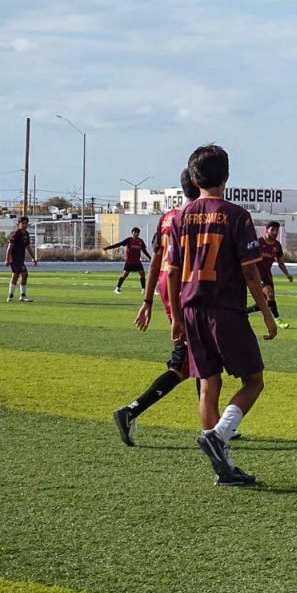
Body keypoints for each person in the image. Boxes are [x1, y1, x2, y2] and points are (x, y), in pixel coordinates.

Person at [168, 144, 279, 487]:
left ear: (194, 177)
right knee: (254, 380)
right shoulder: (236, 215)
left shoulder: (180, 216)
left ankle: (224, 469)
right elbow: (250, 272)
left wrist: (175, 317)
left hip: (190, 308)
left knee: (208, 387)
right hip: (224, 309)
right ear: (227, 176)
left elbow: (172, 272)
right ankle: (220, 436)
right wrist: (267, 314)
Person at [112, 169, 200, 446]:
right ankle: (130, 411)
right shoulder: (198, 216)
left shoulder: (167, 217)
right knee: (187, 364)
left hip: (167, 289)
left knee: (202, 359)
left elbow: (156, 261)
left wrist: (148, 300)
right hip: (187, 290)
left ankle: (216, 423)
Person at [245, 221, 294, 328]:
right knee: (270, 295)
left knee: (264, 303)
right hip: (257, 275)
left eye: (277, 230)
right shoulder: (258, 243)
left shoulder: (277, 246)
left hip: (267, 275)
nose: (275, 232)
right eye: (273, 230)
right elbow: (248, 258)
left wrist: (287, 274)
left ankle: (243, 312)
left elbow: (279, 261)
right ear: (267, 229)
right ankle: (277, 319)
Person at [105, 228, 151, 294]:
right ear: (132, 233)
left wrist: (150, 258)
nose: (136, 234)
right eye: (135, 232)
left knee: (142, 274)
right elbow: (119, 244)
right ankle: (117, 288)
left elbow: (144, 250)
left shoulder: (140, 241)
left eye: (138, 232)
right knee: (125, 274)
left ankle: (143, 289)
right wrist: (108, 248)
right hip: (129, 261)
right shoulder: (128, 240)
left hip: (137, 261)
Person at [5, 216, 37, 302]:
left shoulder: (26, 234)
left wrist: (33, 258)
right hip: (14, 259)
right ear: (19, 224)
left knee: (23, 275)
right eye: (23, 223)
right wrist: (7, 259)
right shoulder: (16, 234)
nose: (25, 225)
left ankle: (18, 296)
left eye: (26, 223)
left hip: (20, 259)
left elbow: (28, 246)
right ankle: (12, 296)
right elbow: (9, 247)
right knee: (18, 275)